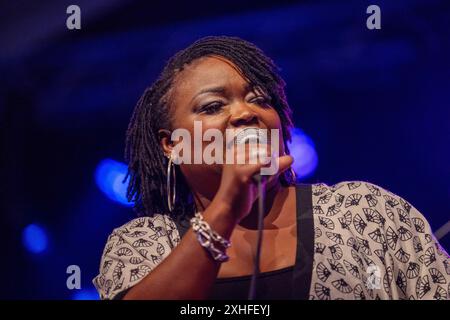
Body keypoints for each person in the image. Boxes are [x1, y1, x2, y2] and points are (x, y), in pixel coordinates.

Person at [93, 36, 449, 300]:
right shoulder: (144, 244)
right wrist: (227, 207)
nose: (245, 113)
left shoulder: (366, 212)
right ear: (172, 145)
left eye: (259, 99)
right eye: (213, 106)